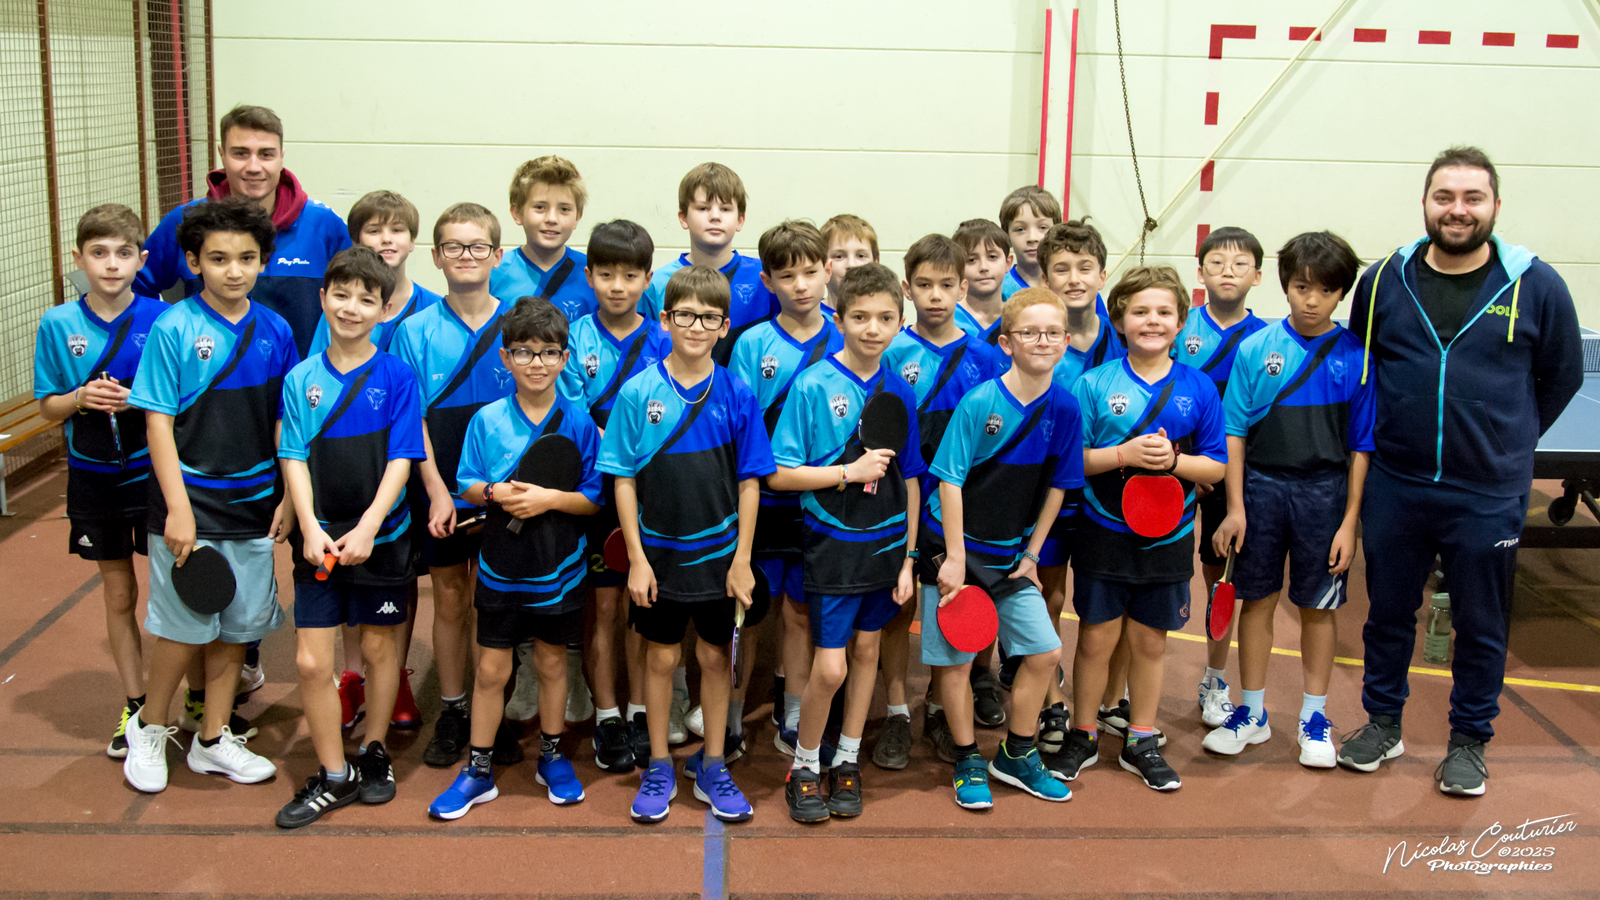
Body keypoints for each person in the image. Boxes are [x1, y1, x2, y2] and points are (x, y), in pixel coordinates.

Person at [1342, 146, 1582, 796]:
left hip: (1487, 493)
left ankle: (1469, 741)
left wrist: (1511, 440)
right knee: (1387, 613)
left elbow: (1563, 375)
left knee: (1481, 624)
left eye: (1472, 198)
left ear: (1495, 206)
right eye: (1444, 197)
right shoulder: (1383, 280)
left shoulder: (1537, 285)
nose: (1458, 210)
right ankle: (1382, 723)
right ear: (1425, 203)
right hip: (1398, 483)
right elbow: (1362, 365)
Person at [121, 197, 299, 793]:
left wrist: (287, 496)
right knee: (183, 627)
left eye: (247, 258)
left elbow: (284, 422)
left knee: (237, 628)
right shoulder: (173, 328)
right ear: (194, 262)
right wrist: (177, 508)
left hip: (253, 502)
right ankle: (150, 726)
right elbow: (158, 422)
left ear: (263, 261)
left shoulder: (276, 330)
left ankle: (212, 738)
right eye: (218, 258)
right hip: (189, 503)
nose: (234, 270)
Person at [600, 265, 774, 824]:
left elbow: (750, 481)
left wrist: (742, 560)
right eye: (684, 316)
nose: (696, 327)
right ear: (665, 319)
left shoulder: (737, 392)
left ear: (724, 326)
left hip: (721, 558)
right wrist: (637, 560)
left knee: (714, 657)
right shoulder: (638, 393)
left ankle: (713, 763)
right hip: (658, 557)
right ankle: (658, 764)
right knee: (661, 657)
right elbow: (623, 479)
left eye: (708, 318)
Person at [427, 297, 603, 818]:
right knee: (490, 669)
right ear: (506, 358)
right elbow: (467, 483)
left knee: (552, 662)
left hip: (559, 568)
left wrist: (548, 499)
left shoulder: (579, 423)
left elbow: (592, 498)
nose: (536, 363)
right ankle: (478, 770)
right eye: (524, 351)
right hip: (500, 566)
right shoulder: (486, 420)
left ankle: (552, 757)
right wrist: (494, 493)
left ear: (565, 359)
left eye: (549, 352)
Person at [1203, 231, 1373, 769]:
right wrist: (1235, 507)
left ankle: (1313, 718)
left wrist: (1349, 523)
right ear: (1284, 286)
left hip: (1325, 493)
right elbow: (1234, 432)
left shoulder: (1357, 358)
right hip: (1261, 488)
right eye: (1301, 287)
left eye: (1325, 290)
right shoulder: (1257, 349)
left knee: (1317, 607)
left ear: (1341, 293)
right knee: (1256, 600)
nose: (1311, 300)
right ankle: (1252, 712)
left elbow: (1361, 447)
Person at [768, 262, 924, 822]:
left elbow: (911, 479)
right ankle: (805, 764)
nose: (872, 328)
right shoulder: (812, 385)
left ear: (900, 323)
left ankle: (848, 759)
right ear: (838, 319)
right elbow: (779, 474)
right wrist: (846, 473)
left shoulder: (899, 390)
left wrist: (909, 558)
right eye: (859, 317)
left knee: (867, 652)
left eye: (885, 318)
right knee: (830, 668)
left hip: (886, 548)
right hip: (831, 547)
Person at [274, 247, 424, 827]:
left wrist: (369, 527)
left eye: (366, 299)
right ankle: (334, 775)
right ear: (323, 298)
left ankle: (374, 750)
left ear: (384, 310)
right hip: (319, 541)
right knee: (312, 662)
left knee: (381, 649)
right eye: (341, 295)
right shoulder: (300, 379)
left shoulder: (397, 376)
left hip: (381, 537)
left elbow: (402, 459)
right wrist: (309, 526)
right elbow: (293, 456)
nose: (351, 307)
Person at [1062, 265, 1227, 791]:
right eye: (1139, 312)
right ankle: (1083, 733)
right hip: (1103, 530)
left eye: (1163, 312)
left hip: (1170, 537)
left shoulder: (1199, 387)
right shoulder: (1093, 384)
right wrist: (1123, 455)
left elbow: (1216, 467)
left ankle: (1140, 739)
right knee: (1095, 639)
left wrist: (1174, 462)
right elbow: (1073, 461)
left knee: (1151, 642)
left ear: (1180, 323)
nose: (1152, 321)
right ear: (1120, 321)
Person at [918, 286, 1083, 809]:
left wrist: (1032, 555)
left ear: (1066, 341)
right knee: (956, 663)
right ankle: (968, 758)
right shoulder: (980, 402)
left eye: (1053, 332)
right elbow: (949, 480)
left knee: (1045, 651)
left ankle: (1016, 753)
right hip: (953, 546)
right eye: (1030, 332)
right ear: (1007, 343)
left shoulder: (1065, 407)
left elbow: (1059, 486)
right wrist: (955, 558)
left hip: (1011, 556)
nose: (1043, 340)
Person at [34, 204, 166, 759]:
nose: (112, 264)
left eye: (123, 253)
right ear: (79, 258)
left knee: (175, 592)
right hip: (92, 479)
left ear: (141, 259)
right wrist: (80, 397)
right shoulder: (58, 324)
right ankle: (135, 703)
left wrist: (140, 398)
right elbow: (48, 406)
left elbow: (179, 400)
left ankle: (195, 698)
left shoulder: (164, 318)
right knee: (119, 592)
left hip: (154, 476)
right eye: (99, 253)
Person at [309, 190, 439, 733]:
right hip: (348, 470)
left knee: (399, 573)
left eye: (396, 230)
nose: (386, 239)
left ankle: (396, 673)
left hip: (410, 463)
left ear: (413, 240)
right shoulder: (337, 312)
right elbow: (314, 398)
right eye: (373, 230)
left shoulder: (430, 307)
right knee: (346, 568)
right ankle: (352, 676)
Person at [389, 203, 515, 768]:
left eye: (478, 246)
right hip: (440, 488)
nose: (467, 256)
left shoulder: (516, 325)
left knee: (494, 600)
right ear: (436, 257)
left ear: (498, 255)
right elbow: (411, 419)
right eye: (454, 247)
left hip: (503, 493)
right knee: (449, 597)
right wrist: (438, 490)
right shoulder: (413, 332)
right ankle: (454, 707)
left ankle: (495, 708)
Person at [879, 233, 1003, 768]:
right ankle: (896, 712)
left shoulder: (985, 357)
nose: (935, 295)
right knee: (897, 608)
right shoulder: (890, 352)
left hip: (959, 509)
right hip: (900, 505)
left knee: (949, 608)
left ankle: (936, 706)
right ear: (907, 288)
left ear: (963, 288)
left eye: (946, 285)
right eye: (924, 285)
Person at [558, 219, 671, 772]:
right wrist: (619, 447)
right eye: (606, 274)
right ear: (589, 276)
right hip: (598, 490)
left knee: (644, 604)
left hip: (655, 489)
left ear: (648, 279)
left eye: (630, 276)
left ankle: (640, 710)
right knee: (603, 605)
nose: (618, 286)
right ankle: (607, 716)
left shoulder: (666, 339)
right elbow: (574, 412)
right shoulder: (575, 338)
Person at [729, 220, 842, 764]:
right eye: (787, 275)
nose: (800, 285)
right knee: (748, 612)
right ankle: (730, 717)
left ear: (827, 272)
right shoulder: (752, 343)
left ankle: (793, 715)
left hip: (818, 502)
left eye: (810, 272)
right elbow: (741, 425)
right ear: (768, 281)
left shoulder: (845, 336)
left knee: (799, 611)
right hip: (761, 500)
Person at [134, 104, 350, 356]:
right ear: (222, 154)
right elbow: (131, 289)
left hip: (299, 379)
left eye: (266, 154)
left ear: (281, 156)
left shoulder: (324, 225)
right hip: (204, 377)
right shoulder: (184, 221)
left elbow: (363, 296)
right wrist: (163, 344)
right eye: (241, 154)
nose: (254, 167)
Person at [1032, 219, 1122, 753]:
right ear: (1044, 277)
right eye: (1061, 269)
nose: (1074, 279)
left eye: (1085, 268)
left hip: (1109, 498)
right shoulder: (1036, 340)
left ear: (1102, 275)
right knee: (1048, 595)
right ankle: (1050, 700)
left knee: (1108, 604)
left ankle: (1110, 699)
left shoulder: (1125, 334)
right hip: (1046, 494)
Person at [1178, 226, 1270, 728]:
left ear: (1257, 276)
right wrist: (1188, 464)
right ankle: (1120, 686)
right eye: (1216, 263)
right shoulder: (1178, 325)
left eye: (1240, 265)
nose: (1227, 272)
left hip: (1229, 476)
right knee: (1152, 574)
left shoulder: (1266, 340)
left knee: (1220, 581)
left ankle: (1214, 680)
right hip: (1173, 470)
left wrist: (1217, 469)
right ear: (1200, 273)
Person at [637, 163, 778, 366]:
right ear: (683, 218)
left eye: (725, 209)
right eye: (703, 208)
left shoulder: (763, 277)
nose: (715, 216)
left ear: (740, 220)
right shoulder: (657, 283)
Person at [490, 156, 598, 325]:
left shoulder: (594, 275)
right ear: (517, 213)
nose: (552, 219)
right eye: (540, 207)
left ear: (577, 217)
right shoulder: (493, 273)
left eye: (564, 209)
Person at [952, 218, 1012, 345]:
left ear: (1008, 263)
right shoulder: (948, 320)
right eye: (971, 260)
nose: (983, 267)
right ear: (957, 267)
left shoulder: (1021, 317)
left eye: (992, 257)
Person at [998, 186, 1062, 297]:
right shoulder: (998, 291)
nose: (1032, 238)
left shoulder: (1069, 287)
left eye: (1043, 227)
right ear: (1006, 236)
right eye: (1020, 229)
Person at [821, 214, 879, 313]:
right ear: (822, 265)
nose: (851, 265)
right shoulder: (809, 317)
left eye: (861, 256)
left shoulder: (886, 318)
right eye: (839, 256)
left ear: (876, 263)